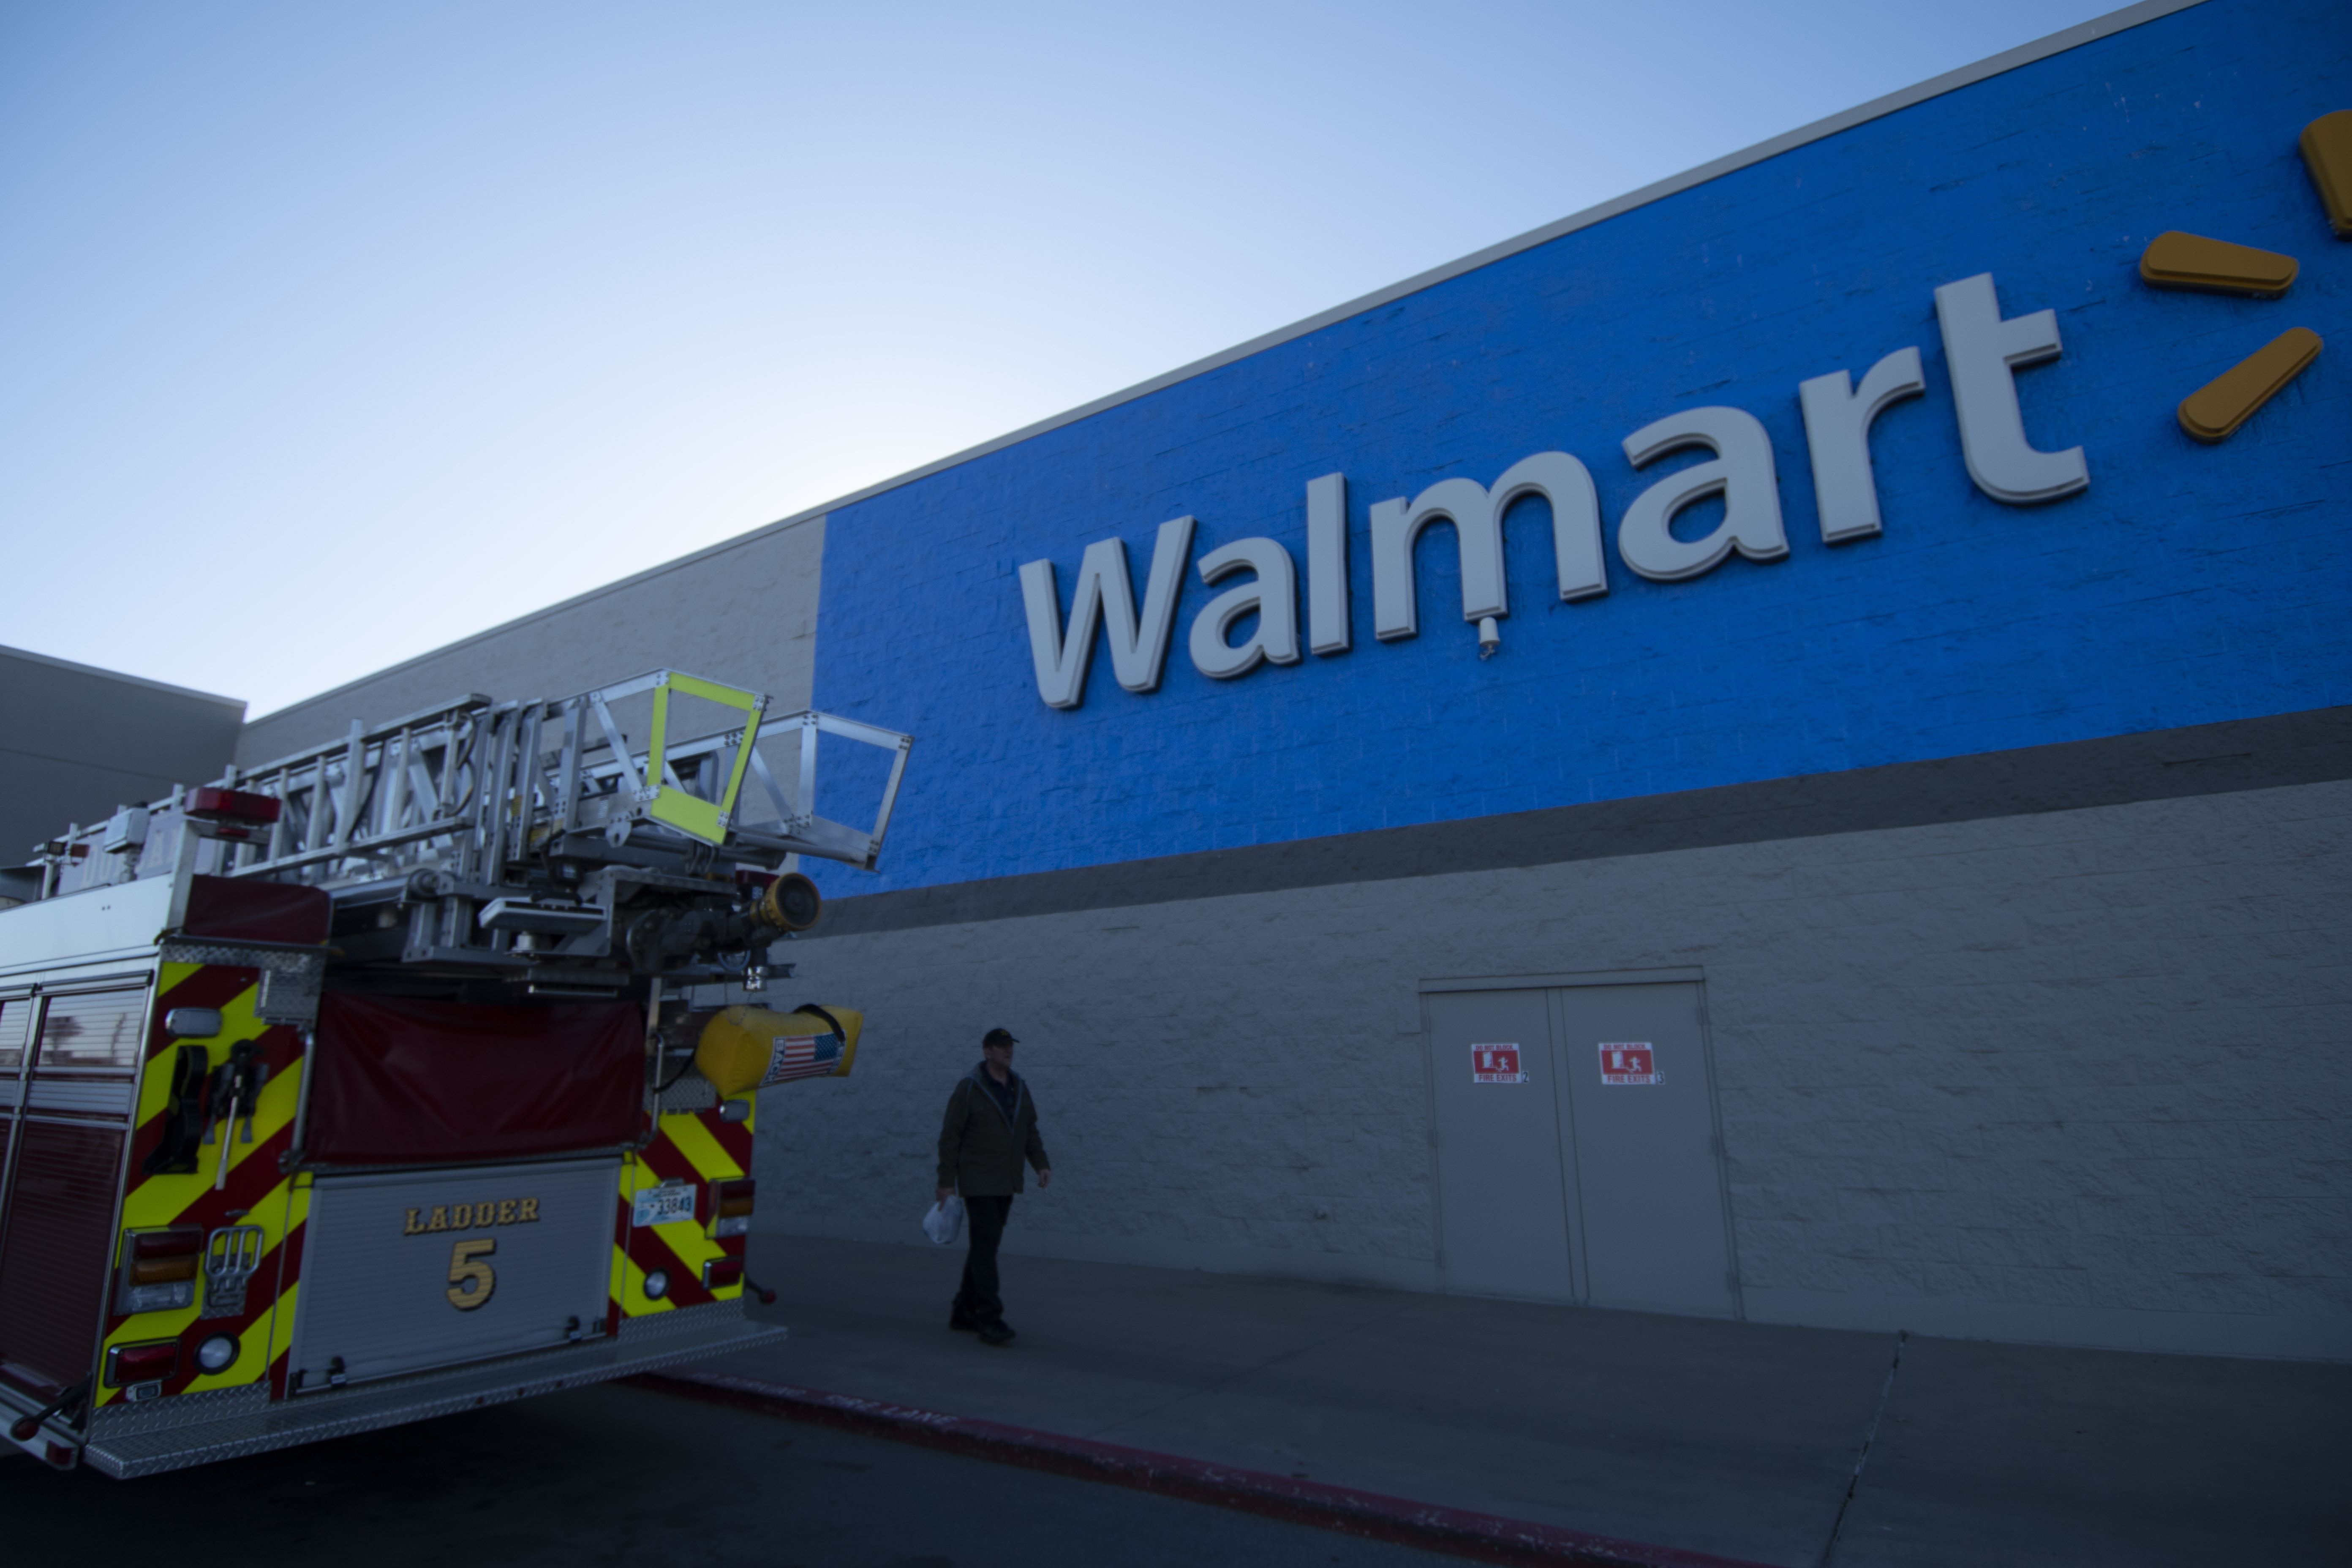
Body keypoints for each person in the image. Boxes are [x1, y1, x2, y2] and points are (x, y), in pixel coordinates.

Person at [936, 1026, 1051, 1345]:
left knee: (984, 1248)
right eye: (1001, 1047)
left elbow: (1029, 1130)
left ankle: (962, 1311)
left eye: (1010, 1046)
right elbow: (950, 1139)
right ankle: (989, 1318)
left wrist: (1040, 1163)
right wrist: (946, 1182)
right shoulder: (969, 1089)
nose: (1008, 1051)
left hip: (1007, 1181)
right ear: (986, 1052)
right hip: (978, 1181)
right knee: (986, 1249)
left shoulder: (1019, 1087)